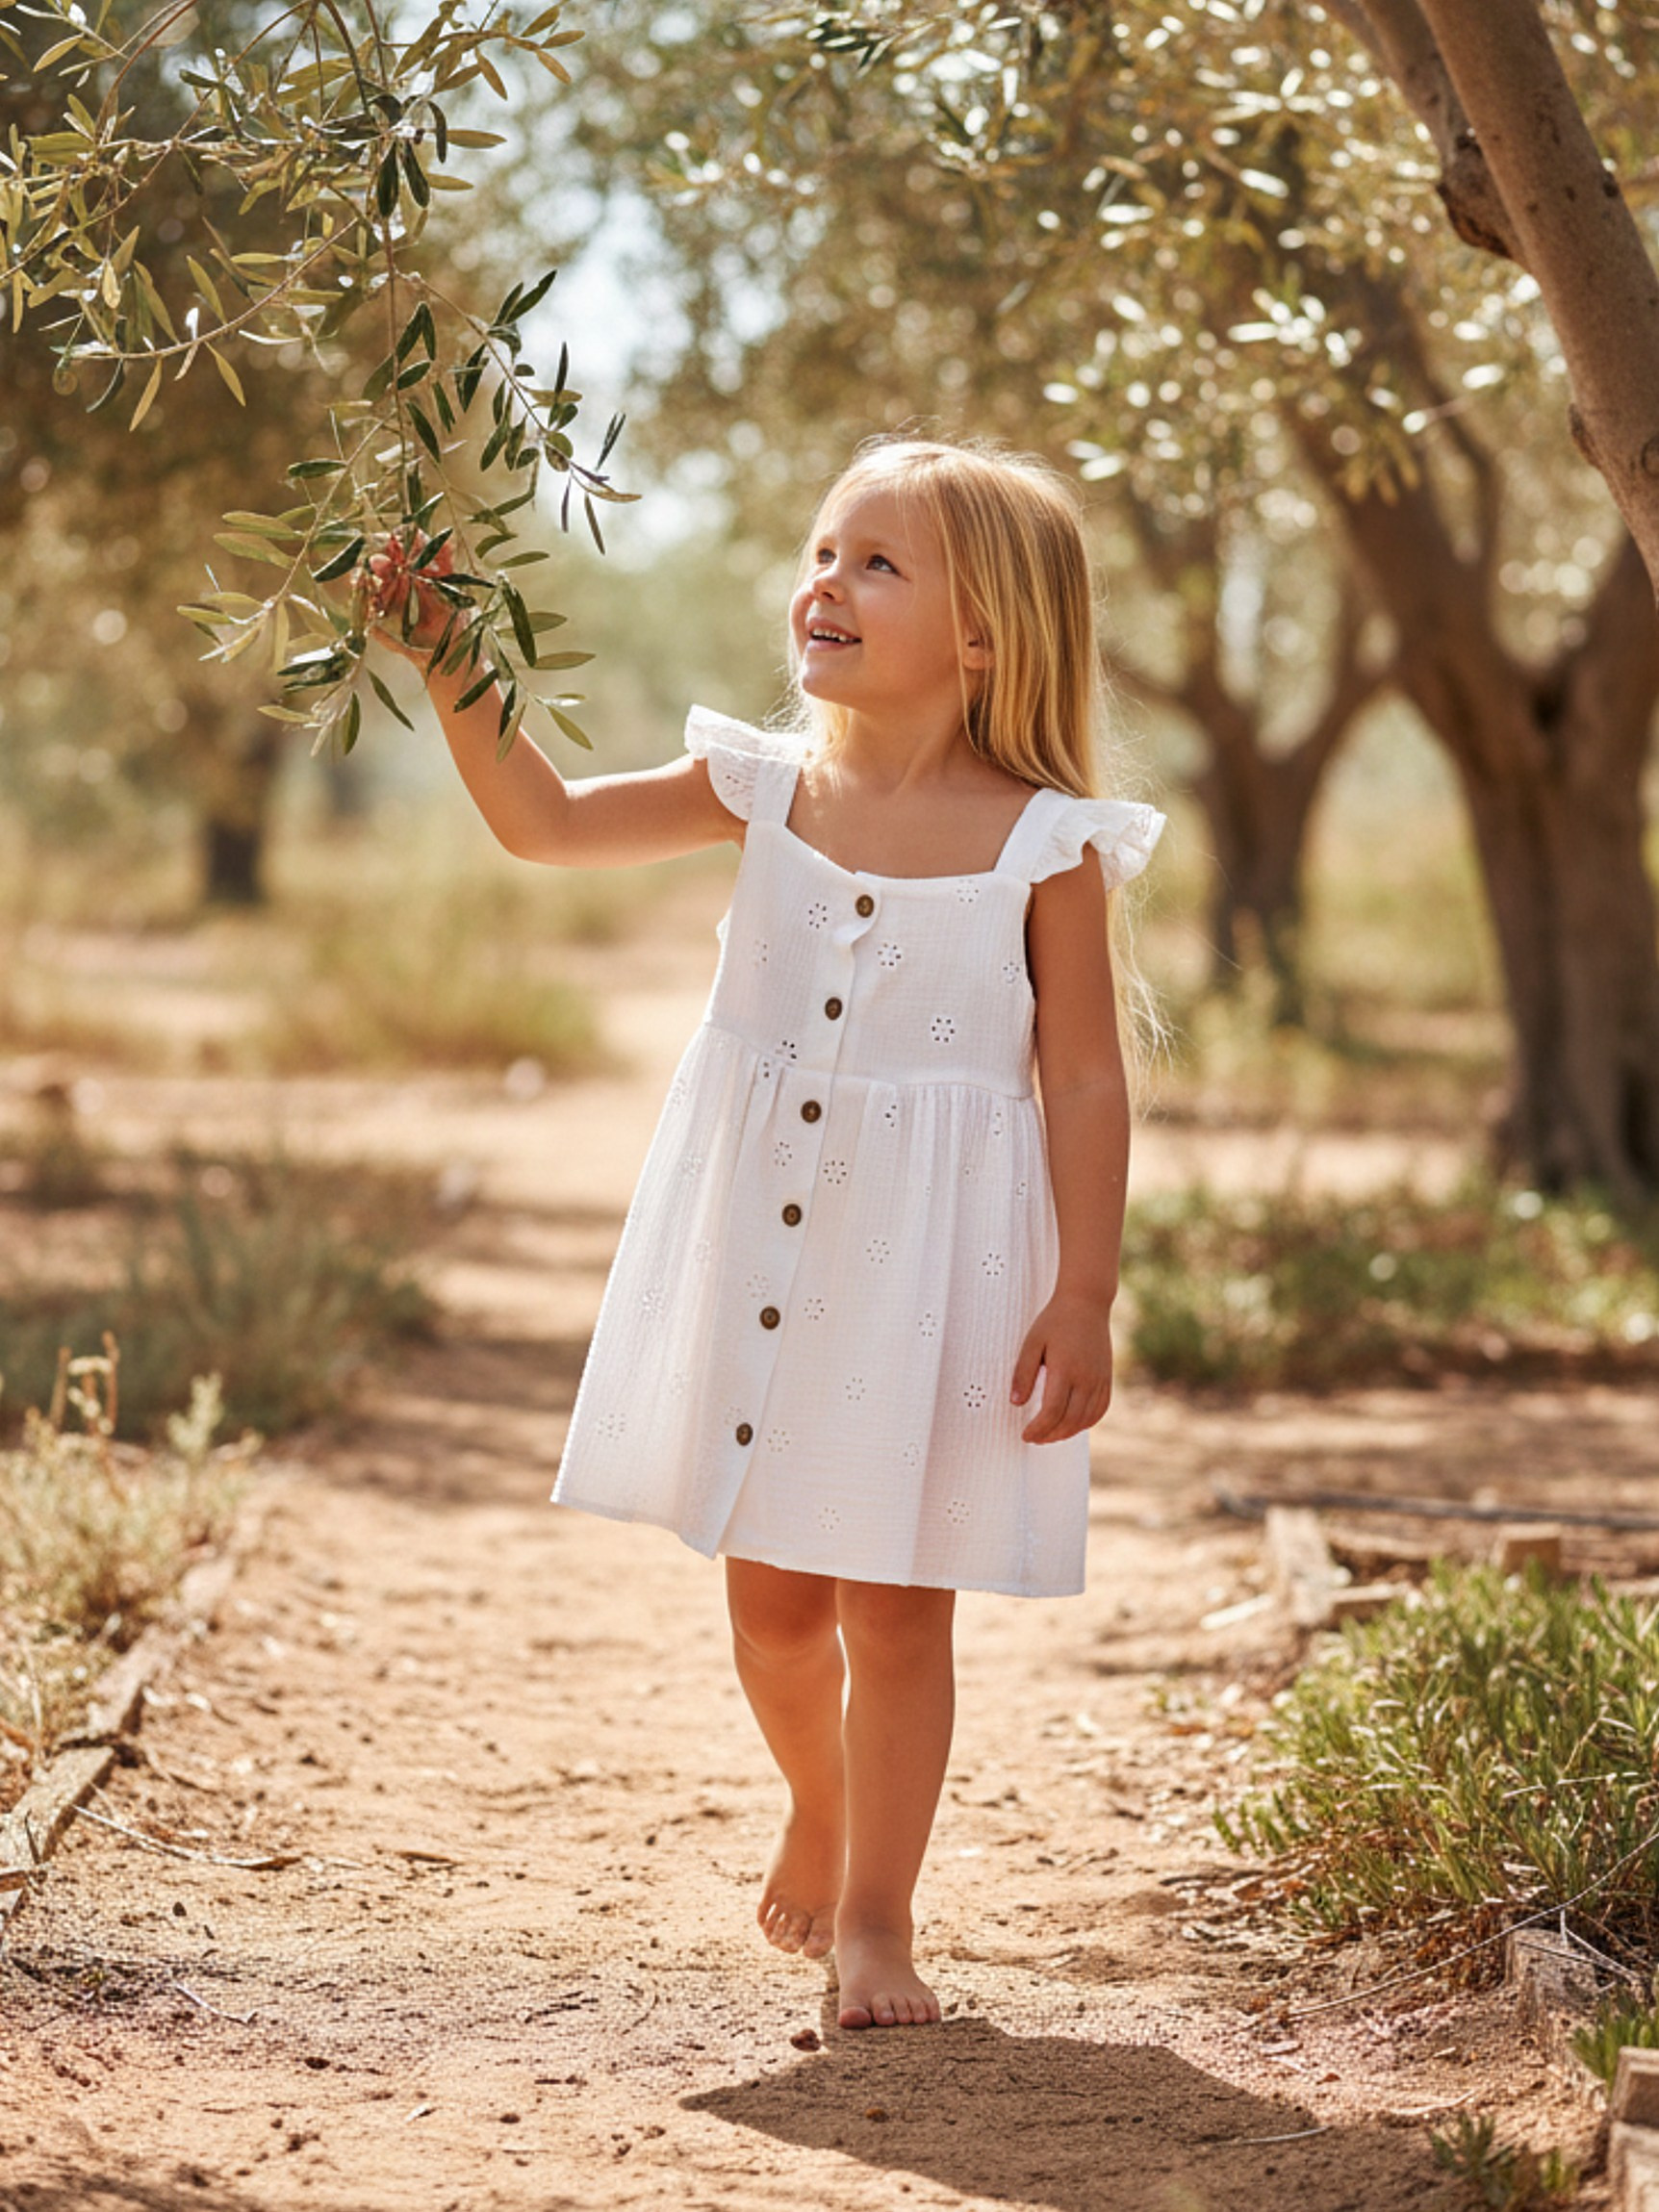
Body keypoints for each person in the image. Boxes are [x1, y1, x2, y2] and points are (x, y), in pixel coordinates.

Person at [365, 435, 1164, 2031]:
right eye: (820, 550)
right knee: (777, 1609)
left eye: (878, 562)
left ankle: (881, 1915)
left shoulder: (1046, 844)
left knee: (897, 1605)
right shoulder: (759, 790)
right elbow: (541, 821)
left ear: (988, 633)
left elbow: (1081, 1072)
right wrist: (450, 654)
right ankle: (819, 1797)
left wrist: (1085, 1292)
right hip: (766, 1256)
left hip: (934, 1278)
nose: (826, 582)